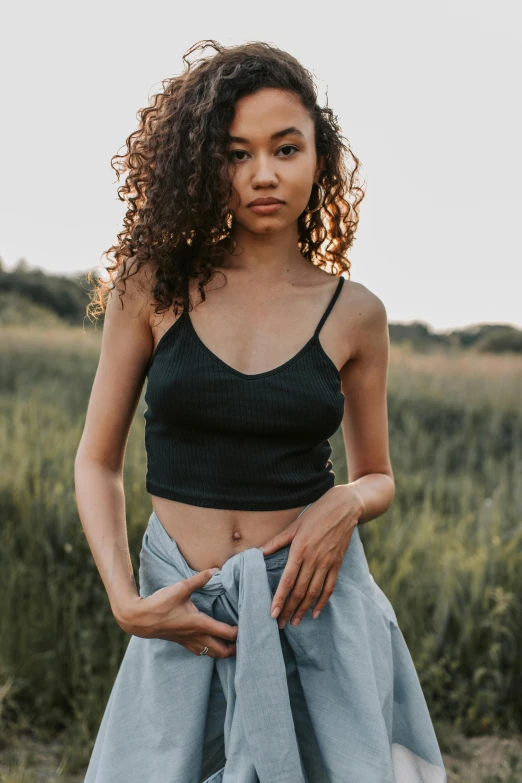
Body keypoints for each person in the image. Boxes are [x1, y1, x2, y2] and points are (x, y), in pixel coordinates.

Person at [75, 39, 447, 783]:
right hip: (184, 617)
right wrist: (126, 600)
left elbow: (377, 475)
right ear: (203, 164)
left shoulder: (355, 313)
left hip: (314, 613)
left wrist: (344, 501)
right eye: (237, 153)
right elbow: (99, 459)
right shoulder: (152, 289)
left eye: (285, 148)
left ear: (320, 157)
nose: (264, 174)